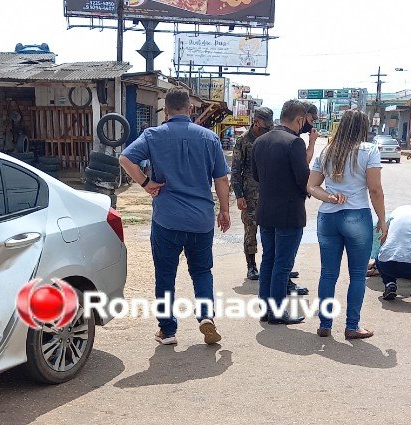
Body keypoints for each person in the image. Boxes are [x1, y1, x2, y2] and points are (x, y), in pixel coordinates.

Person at [118, 88, 231, 346]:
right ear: (190, 109)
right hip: (201, 220)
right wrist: (224, 211)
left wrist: (146, 183)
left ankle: (167, 331)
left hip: (167, 220)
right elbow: (221, 179)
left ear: (166, 111)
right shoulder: (209, 138)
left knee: (165, 274)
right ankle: (206, 316)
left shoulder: (153, 135)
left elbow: (125, 158)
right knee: (202, 271)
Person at [307, 109, 387, 339]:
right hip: (357, 216)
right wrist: (382, 220)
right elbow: (375, 189)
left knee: (328, 273)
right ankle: (352, 326)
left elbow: (311, 186)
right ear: (363, 127)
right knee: (358, 275)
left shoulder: (327, 151)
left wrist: (329, 197)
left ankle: (325, 324)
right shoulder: (369, 150)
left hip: (328, 217)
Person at [252, 99, 317, 324]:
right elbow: (303, 179)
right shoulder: (294, 143)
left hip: (265, 211)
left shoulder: (260, 141)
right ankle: (278, 312)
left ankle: (266, 309)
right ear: (299, 120)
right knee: (282, 264)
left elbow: (256, 176)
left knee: (268, 261)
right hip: (289, 213)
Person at [232, 106, 274, 281]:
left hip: (270, 192)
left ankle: (273, 265)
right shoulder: (243, 140)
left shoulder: (271, 138)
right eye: (266, 126)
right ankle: (251, 266)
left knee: (272, 230)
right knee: (250, 230)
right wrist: (239, 195)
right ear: (256, 122)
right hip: (249, 195)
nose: (268, 129)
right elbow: (236, 170)